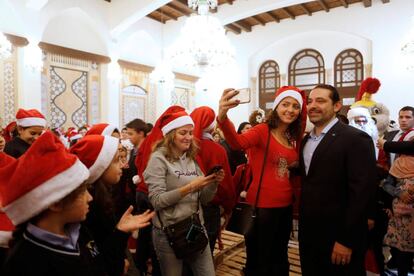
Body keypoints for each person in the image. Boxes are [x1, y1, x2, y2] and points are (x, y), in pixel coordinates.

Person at [217, 86, 307, 275]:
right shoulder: (262, 130)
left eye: (295, 106)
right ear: (276, 107)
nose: (290, 110)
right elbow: (237, 143)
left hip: (285, 205)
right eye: (285, 104)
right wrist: (223, 115)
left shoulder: (291, 136)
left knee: (280, 255)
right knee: (260, 258)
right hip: (262, 207)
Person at [0, 131, 104, 275]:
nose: (90, 198)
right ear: (56, 203)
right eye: (82, 192)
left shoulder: (79, 232)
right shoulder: (27, 262)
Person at [299, 84, 377, 276]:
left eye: (321, 100)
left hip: (339, 239)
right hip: (309, 237)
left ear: (336, 106)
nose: (312, 106)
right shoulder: (306, 141)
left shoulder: (356, 139)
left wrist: (346, 240)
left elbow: (361, 194)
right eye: (309, 101)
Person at [144, 109, 223, 276]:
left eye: (190, 133)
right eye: (183, 132)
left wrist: (212, 183)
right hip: (169, 232)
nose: (188, 137)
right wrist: (191, 187)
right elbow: (157, 201)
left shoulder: (190, 158)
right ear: (170, 134)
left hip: (194, 228)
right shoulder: (158, 159)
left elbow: (204, 199)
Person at [70, 134, 154, 276]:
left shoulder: (102, 194)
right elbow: (102, 257)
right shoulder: (89, 206)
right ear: (99, 168)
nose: (122, 164)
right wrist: (120, 233)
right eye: (116, 161)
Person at [190, 106, 235, 252]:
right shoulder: (218, 149)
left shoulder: (184, 148)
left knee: (190, 249)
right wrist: (228, 206)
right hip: (210, 209)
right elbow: (226, 183)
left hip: (187, 207)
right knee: (206, 251)